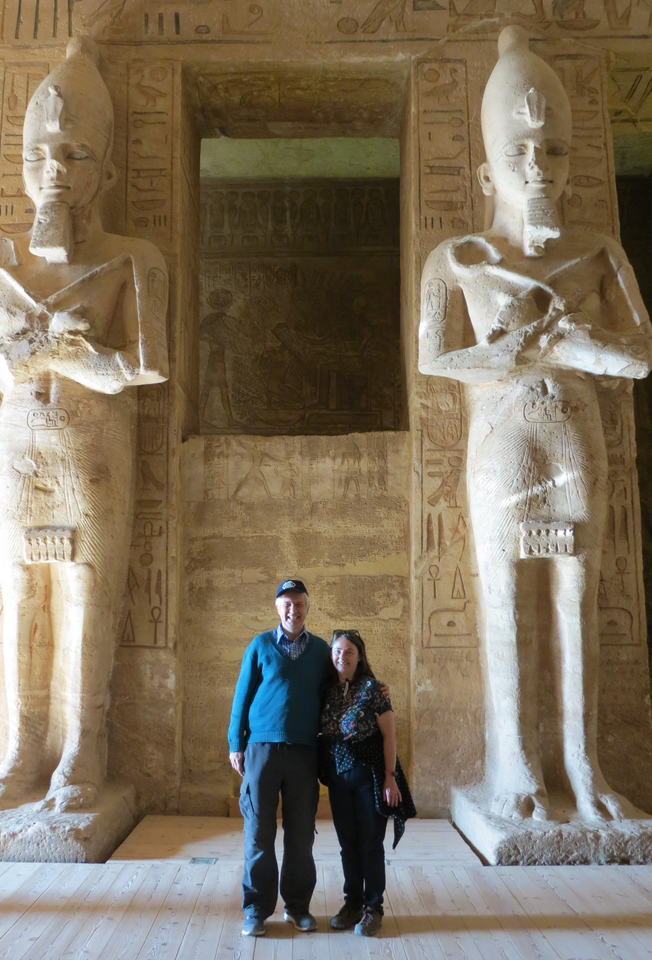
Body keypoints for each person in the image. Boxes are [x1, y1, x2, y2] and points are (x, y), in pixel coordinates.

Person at [419, 27, 652, 824]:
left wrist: (579, 341)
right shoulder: (458, 257)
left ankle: (585, 770)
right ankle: (516, 768)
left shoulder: (597, 251)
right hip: (502, 441)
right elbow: (436, 360)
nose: (536, 167)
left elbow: (642, 355)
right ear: (487, 167)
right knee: (505, 603)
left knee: (578, 599)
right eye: (520, 150)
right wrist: (518, 348)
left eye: (552, 151)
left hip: (575, 437)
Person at [0, 38, 168, 814]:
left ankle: (82, 752)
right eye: (40, 151)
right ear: (20, 160)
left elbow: (141, 367)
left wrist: (64, 353)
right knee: (20, 602)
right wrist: (33, 355)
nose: (55, 168)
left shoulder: (129, 260)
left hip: (91, 452)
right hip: (17, 454)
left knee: (86, 602)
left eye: (74, 153)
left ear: (102, 172)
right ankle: (18, 753)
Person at [228, 579, 329, 937]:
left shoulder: (320, 650)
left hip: (303, 752)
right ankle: (256, 910)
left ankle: (297, 907)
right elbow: (242, 697)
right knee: (258, 832)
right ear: (277, 608)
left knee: (301, 835)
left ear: (307, 607)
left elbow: (341, 685)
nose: (293, 610)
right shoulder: (260, 646)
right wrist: (235, 744)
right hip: (261, 751)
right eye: (286, 604)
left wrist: (375, 687)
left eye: (299, 603)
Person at [319, 629, 415, 937]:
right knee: (348, 845)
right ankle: (353, 904)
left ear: (359, 657)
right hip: (337, 779)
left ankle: (374, 908)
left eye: (349, 652)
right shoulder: (325, 689)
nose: (341, 657)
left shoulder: (373, 689)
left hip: (370, 777)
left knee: (371, 845)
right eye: (337, 651)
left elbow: (389, 735)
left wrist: (390, 777)